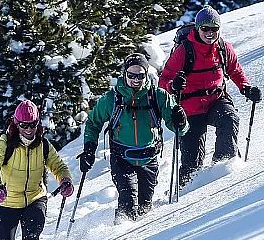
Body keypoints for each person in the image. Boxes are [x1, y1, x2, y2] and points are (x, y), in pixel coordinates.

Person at [79, 53, 189, 222]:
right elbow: (93, 122)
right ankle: (118, 236)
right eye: (131, 75)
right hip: (122, 159)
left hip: (149, 159)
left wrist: (180, 121)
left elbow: (178, 129)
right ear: (125, 74)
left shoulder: (158, 96)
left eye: (140, 75)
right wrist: (89, 148)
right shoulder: (112, 98)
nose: (136, 80)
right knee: (129, 203)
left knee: (145, 207)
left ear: (146, 74)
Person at [159, 5, 261, 187]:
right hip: (190, 107)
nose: (210, 33)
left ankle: (222, 168)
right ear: (198, 29)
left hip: (216, 100)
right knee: (191, 161)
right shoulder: (184, 51)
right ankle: (187, 189)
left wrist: (246, 88)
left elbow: (235, 70)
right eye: (205, 29)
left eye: (214, 29)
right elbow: (164, 81)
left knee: (229, 119)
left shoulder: (223, 48)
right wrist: (173, 85)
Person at [0, 99, 74, 240]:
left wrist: (65, 180)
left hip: (35, 199)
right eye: (24, 125)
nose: (29, 129)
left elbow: (58, 166)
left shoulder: (43, 144)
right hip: (6, 202)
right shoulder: (5, 144)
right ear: (16, 124)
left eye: (33, 124)